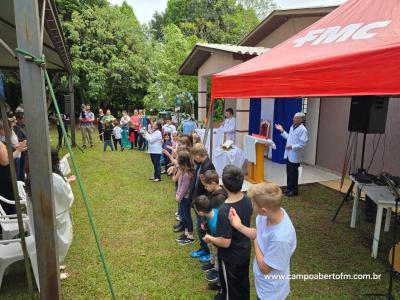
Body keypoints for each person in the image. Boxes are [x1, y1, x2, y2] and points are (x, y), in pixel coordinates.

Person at [229, 182, 297, 300]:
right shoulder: (269, 215)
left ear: (264, 210)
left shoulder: (281, 239)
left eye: (253, 204)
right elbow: (259, 233)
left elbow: (265, 268)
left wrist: (255, 240)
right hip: (263, 285)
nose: (251, 206)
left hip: (271, 292)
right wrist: (239, 226)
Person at [203, 165, 252, 300]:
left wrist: (210, 238)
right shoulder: (247, 199)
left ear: (223, 183)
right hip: (244, 250)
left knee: (232, 290)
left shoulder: (225, 210)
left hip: (231, 257)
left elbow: (225, 242)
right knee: (242, 284)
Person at [49, 148, 76, 279]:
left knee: (55, 243)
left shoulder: (40, 172)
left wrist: (66, 181)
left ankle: (55, 264)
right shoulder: (53, 177)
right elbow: (66, 196)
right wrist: (67, 183)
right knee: (58, 242)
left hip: (52, 213)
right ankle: (53, 270)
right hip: (56, 214)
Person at [190, 143, 215, 262]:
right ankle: (203, 247)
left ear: (199, 156)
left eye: (194, 156)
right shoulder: (201, 163)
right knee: (199, 227)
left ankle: (207, 251)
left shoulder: (208, 166)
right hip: (198, 199)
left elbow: (208, 188)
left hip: (203, 202)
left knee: (202, 227)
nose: (194, 159)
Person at [274, 112, 308, 197]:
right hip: (289, 154)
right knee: (289, 172)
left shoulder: (303, 130)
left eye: (295, 118)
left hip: (295, 155)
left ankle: (294, 190)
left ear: (300, 120)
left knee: (294, 173)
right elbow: (289, 137)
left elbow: (302, 144)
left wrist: (292, 146)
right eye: (294, 117)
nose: (293, 119)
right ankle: (289, 188)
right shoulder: (292, 127)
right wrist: (282, 130)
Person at [0, 120, 27, 214]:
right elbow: (5, 161)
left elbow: (8, 151)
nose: (11, 129)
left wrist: (18, 147)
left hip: (7, 177)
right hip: (4, 178)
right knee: (8, 201)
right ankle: (12, 216)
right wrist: (19, 149)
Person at [192, 195, 221, 282]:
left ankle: (217, 271)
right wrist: (204, 224)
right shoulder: (211, 212)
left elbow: (219, 240)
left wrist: (210, 239)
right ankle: (212, 264)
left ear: (200, 212)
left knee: (217, 256)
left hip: (217, 243)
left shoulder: (215, 223)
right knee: (212, 251)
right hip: (211, 239)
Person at [174, 151, 195, 245]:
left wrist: (179, 196)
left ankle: (190, 236)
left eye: (177, 159)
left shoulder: (187, 174)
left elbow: (184, 188)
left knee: (187, 216)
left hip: (185, 198)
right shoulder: (183, 170)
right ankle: (186, 233)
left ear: (182, 162)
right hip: (182, 198)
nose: (176, 160)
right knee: (184, 216)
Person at [14, 111, 27, 180]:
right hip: (21, 152)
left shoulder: (23, 126)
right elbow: (20, 140)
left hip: (24, 150)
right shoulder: (17, 128)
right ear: (18, 119)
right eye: (23, 118)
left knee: (23, 167)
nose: (24, 120)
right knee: (21, 168)